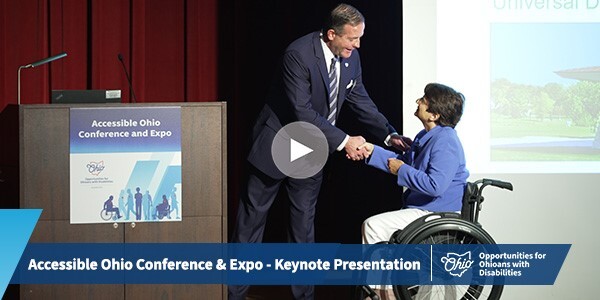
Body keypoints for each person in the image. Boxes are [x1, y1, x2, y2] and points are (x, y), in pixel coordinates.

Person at [229, 3, 407, 300]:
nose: (358, 44)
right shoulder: (298, 55)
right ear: (331, 34)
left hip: (312, 148)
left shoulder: (351, 58)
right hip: (279, 143)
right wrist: (345, 141)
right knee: (251, 223)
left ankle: (304, 296)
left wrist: (389, 135)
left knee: (303, 226)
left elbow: (360, 100)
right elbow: (302, 111)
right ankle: (235, 293)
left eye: (360, 38)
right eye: (352, 38)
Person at [359, 83, 469, 299]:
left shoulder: (446, 141)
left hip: (436, 213)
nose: (418, 101)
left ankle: (384, 293)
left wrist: (402, 169)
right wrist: (371, 151)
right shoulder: (425, 135)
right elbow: (401, 163)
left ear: (434, 114)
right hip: (422, 210)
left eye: (424, 100)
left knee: (373, 225)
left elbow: (436, 185)